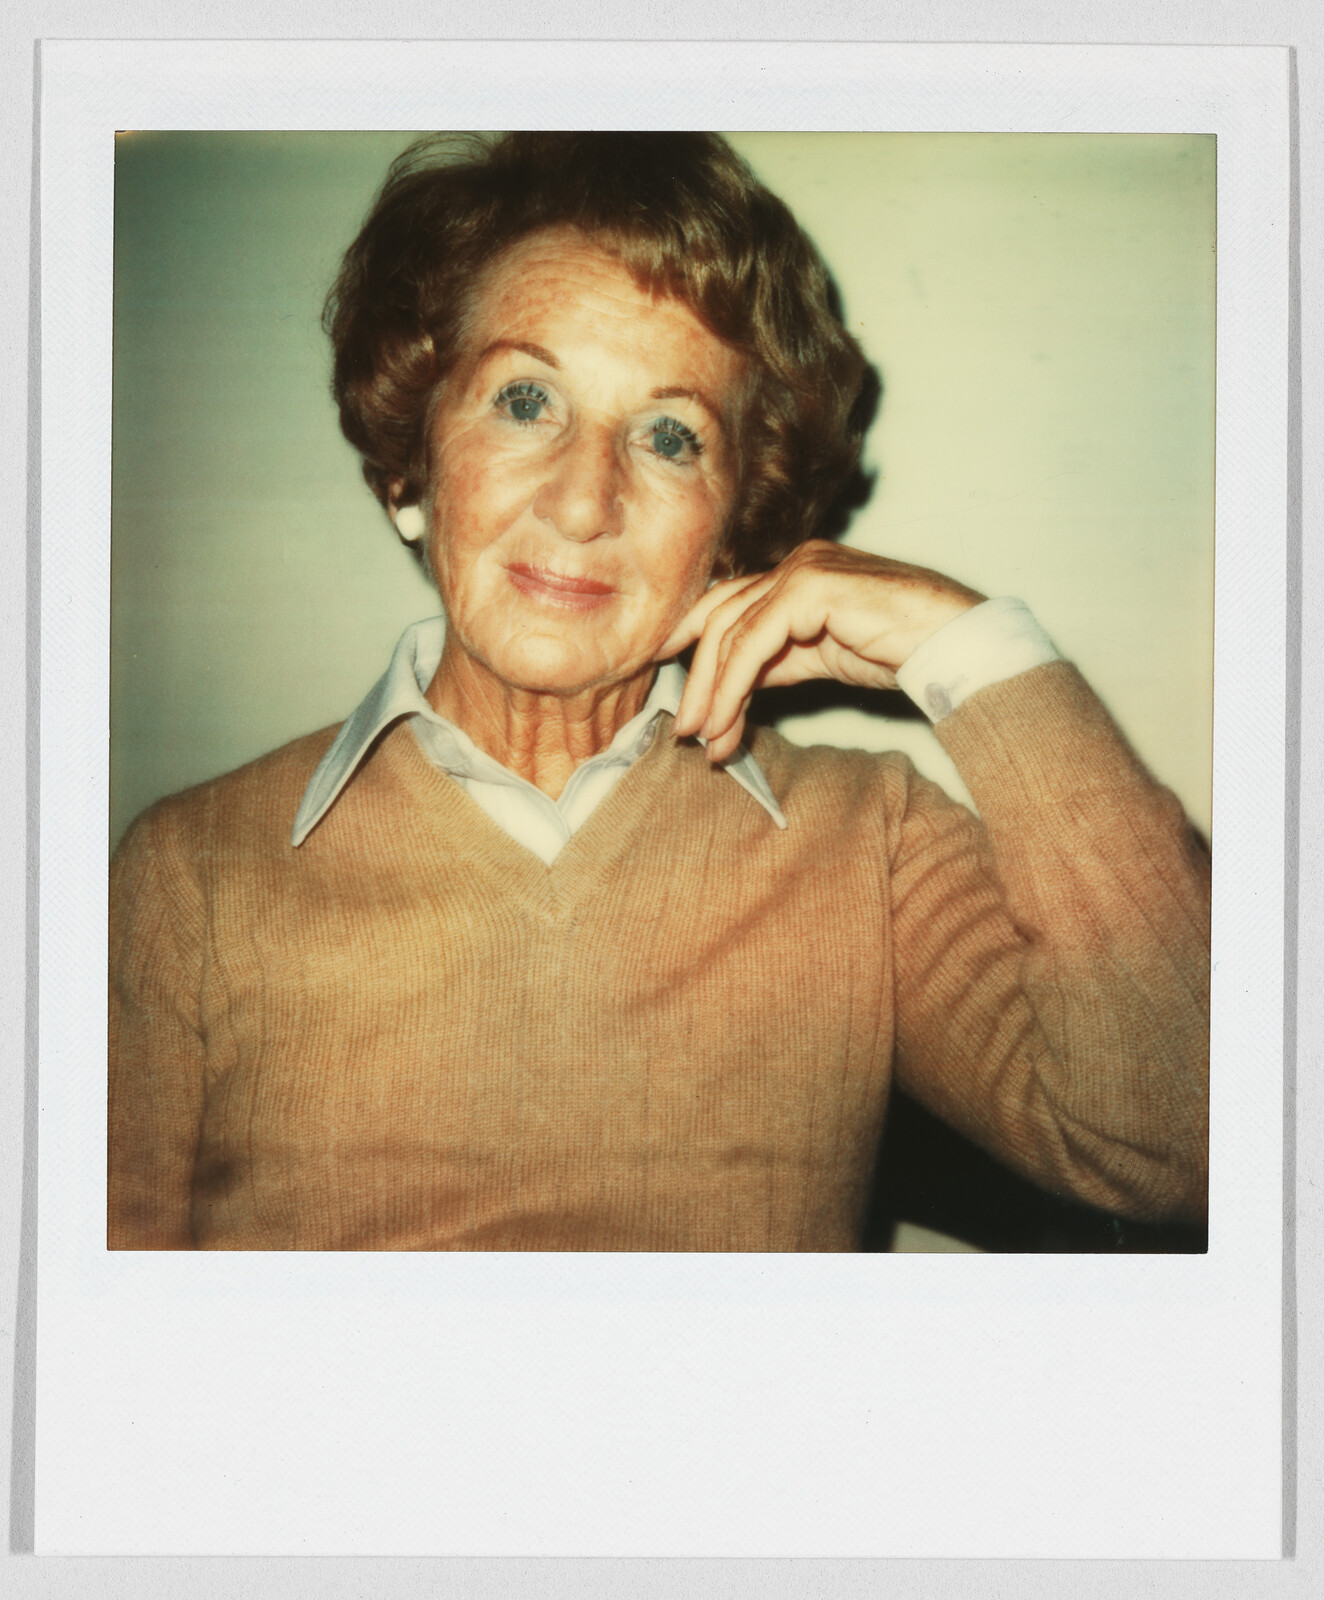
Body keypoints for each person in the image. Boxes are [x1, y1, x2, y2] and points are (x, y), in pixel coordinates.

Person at [108, 132, 1210, 1252]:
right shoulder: (189, 875)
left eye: (670, 434)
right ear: (414, 459)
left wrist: (965, 646)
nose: (586, 501)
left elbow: (1179, 1139)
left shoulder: (864, 843)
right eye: (526, 400)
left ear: (734, 530)